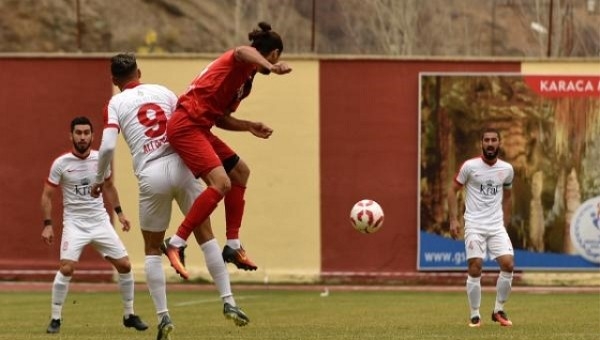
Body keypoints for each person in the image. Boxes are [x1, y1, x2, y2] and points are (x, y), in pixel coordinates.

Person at [91, 53, 249, 335]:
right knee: (206, 235)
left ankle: (164, 317)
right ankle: (229, 301)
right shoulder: (162, 91)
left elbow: (106, 147)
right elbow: (190, 122)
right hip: (181, 164)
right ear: (139, 71)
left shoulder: (114, 103)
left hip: (151, 175)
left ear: (114, 80)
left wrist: (100, 177)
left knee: (152, 249)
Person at [161, 21, 292, 280]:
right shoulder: (242, 60)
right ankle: (176, 242)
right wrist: (271, 67)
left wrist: (249, 126)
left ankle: (232, 246)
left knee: (240, 172)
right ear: (274, 53)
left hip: (200, 127)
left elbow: (220, 118)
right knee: (221, 183)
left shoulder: (247, 82)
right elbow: (242, 51)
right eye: (275, 58)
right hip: (186, 125)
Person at [40, 116, 148, 334]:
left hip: (100, 222)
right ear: (71, 135)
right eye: (78, 133)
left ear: (92, 136)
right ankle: (55, 319)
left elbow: (109, 187)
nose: (82, 137)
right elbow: (46, 196)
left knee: (125, 266)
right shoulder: (61, 164)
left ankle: (129, 314)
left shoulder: (101, 159)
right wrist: (48, 224)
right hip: (75, 224)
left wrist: (120, 213)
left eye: (86, 133)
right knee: (67, 268)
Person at [447, 127, 515, 328]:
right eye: (487, 140)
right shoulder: (470, 166)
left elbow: (509, 195)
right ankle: (475, 314)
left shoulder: (507, 169)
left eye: (494, 139)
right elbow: (452, 190)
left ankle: (498, 310)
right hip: (474, 224)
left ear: (499, 143)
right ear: (482, 143)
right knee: (475, 265)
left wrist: (506, 220)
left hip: (495, 226)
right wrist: (453, 219)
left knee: (508, 264)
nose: (490, 143)